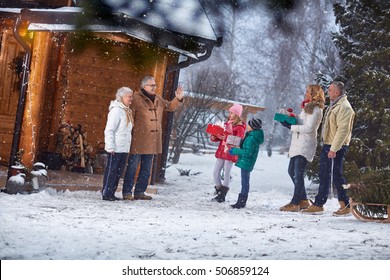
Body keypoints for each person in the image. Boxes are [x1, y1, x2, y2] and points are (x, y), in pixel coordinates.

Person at [122, 76, 184, 200]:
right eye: (152, 85)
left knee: (146, 169)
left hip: (152, 141)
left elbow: (170, 106)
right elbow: (129, 119)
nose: (154, 87)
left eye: (155, 85)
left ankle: (140, 192)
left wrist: (178, 98)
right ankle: (127, 192)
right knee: (132, 168)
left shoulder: (158, 99)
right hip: (138, 140)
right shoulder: (136, 99)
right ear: (144, 86)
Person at [302, 81, 355, 215]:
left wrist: (334, 149)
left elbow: (343, 131)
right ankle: (320, 203)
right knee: (325, 174)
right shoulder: (335, 105)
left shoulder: (344, 107)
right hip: (329, 144)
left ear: (337, 92)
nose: (328, 92)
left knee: (337, 175)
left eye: (330, 90)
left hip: (336, 146)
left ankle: (345, 204)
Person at [279, 85, 325, 212]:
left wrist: (291, 127)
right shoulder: (307, 107)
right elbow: (302, 121)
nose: (305, 94)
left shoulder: (316, 109)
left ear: (314, 94)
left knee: (298, 174)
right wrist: (291, 118)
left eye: (308, 92)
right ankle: (303, 200)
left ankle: (295, 202)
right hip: (298, 143)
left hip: (305, 144)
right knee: (292, 172)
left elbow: (309, 128)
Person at [102, 87, 134, 201]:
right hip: (115, 148)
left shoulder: (127, 110)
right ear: (121, 97)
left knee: (118, 172)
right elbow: (109, 129)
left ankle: (111, 192)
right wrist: (110, 147)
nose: (131, 99)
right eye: (129, 96)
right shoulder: (116, 111)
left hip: (123, 148)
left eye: (131, 96)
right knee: (112, 171)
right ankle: (107, 193)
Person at [210, 104, 246, 203]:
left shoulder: (240, 127)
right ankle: (218, 191)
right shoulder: (226, 124)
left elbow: (237, 141)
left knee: (226, 174)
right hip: (222, 151)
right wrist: (215, 136)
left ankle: (222, 195)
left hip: (230, 152)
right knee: (215, 172)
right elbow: (221, 136)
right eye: (229, 112)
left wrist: (225, 137)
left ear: (237, 115)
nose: (229, 114)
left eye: (232, 113)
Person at [228, 118, 264, 209]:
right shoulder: (251, 136)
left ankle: (241, 202)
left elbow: (247, 152)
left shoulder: (251, 138)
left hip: (246, 162)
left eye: (249, 125)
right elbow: (246, 146)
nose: (247, 126)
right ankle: (242, 201)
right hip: (246, 161)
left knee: (245, 182)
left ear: (253, 127)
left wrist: (234, 151)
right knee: (245, 181)